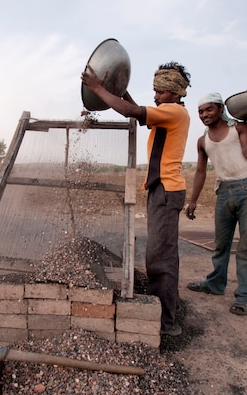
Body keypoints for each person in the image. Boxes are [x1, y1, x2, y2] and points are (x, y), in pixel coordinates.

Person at [81, 61, 191, 336]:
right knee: (160, 252)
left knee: (160, 256)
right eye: (154, 91)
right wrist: (119, 90)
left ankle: (165, 323)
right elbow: (137, 113)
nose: (155, 96)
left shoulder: (174, 112)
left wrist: (97, 88)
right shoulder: (167, 112)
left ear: (175, 94)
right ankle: (164, 309)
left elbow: (130, 111)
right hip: (160, 188)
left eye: (160, 92)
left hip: (166, 190)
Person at [185, 92, 247, 316]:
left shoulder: (237, 128)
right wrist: (192, 201)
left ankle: (246, 296)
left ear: (221, 109)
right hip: (223, 191)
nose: (204, 115)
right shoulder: (203, 141)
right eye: (200, 111)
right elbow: (200, 171)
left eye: (209, 109)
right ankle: (215, 284)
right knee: (221, 244)